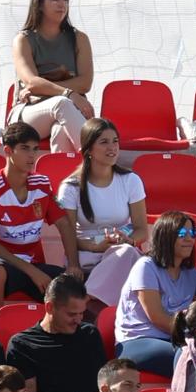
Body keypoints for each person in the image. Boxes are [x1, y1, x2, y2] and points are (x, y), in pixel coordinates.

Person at [0, 122, 83, 334]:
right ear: (8, 151)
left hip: (29, 265)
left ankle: (61, 342)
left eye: (35, 149)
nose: (32, 156)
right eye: (25, 149)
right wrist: (30, 270)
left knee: (68, 285)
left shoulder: (42, 183)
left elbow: (64, 224)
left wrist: (74, 264)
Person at [57, 118, 148, 304]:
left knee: (127, 253)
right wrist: (93, 247)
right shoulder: (71, 187)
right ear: (89, 149)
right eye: (104, 142)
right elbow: (68, 235)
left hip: (119, 250)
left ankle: (84, 300)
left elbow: (142, 230)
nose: (112, 148)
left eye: (115, 141)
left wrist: (128, 240)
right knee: (127, 256)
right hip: (86, 252)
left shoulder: (131, 180)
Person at [113, 211, 196, 376]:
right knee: (191, 357)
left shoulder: (191, 272)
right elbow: (158, 318)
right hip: (138, 340)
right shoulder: (145, 267)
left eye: (192, 233)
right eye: (182, 234)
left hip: (174, 339)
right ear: (165, 236)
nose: (190, 239)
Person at [5, 274, 107, 392]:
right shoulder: (22, 344)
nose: (78, 320)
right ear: (50, 307)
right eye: (72, 314)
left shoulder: (90, 334)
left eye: (82, 313)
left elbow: (103, 387)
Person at [9, 0, 96, 152]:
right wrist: (69, 93)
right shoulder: (23, 40)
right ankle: (97, 163)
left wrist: (43, 86)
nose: (62, 4)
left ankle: (62, 179)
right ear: (39, 3)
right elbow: (32, 82)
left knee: (61, 130)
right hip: (28, 113)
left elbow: (85, 83)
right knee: (62, 103)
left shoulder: (79, 39)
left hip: (69, 112)